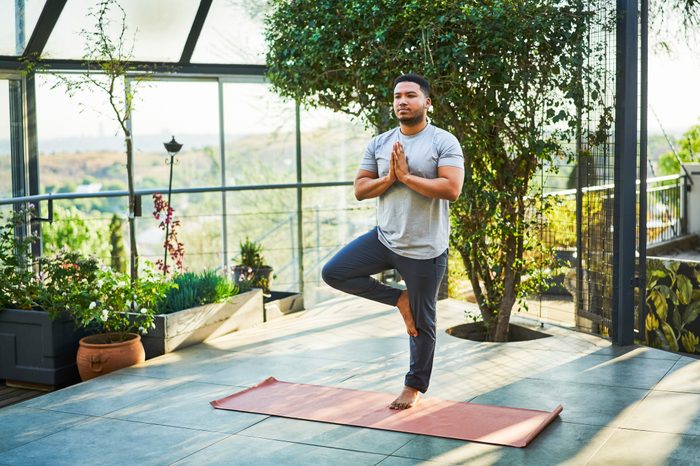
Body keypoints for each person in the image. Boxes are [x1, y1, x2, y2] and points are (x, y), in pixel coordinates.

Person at [322, 73, 465, 409]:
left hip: (424, 249)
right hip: (384, 239)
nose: (403, 101)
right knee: (335, 272)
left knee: (423, 322)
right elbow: (360, 189)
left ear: (427, 103)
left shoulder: (443, 141)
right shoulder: (379, 142)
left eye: (411, 95)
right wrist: (389, 178)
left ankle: (413, 387)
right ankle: (399, 299)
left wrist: (407, 178)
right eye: (398, 96)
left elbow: (452, 189)